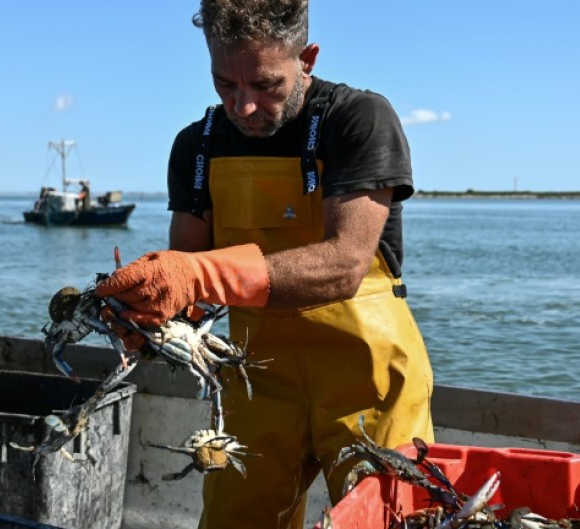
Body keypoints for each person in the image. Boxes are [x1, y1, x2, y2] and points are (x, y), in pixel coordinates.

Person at [94, 1, 435, 527]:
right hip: (255, 380)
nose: (244, 106)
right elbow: (187, 282)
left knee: (388, 519)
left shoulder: (358, 120)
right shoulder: (196, 146)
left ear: (308, 59)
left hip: (369, 382)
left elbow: (344, 265)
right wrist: (149, 314)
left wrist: (197, 274)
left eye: (265, 85)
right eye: (225, 85)